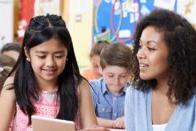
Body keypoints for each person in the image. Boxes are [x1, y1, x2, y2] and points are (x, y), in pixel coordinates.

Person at [0, 14, 108, 131]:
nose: (50, 63)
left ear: (67, 53)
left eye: (58, 56)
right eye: (42, 56)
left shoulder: (80, 86)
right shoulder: (13, 86)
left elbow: (91, 127)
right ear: (27, 53)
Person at [125, 9, 196, 131]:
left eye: (151, 48)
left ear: (176, 54)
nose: (139, 54)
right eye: (140, 46)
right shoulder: (134, 94)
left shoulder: (193, 100)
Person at [90, 44, 132, 129]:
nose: (116, 82)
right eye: (110, 75)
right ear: (101, 69)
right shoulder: (92, 88)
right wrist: (114, 124)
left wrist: (129, 119)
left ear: (130, 73)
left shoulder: (135, 92)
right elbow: (88, 119)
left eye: (123, 76)